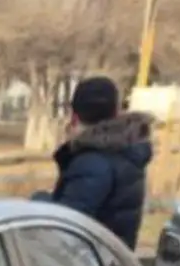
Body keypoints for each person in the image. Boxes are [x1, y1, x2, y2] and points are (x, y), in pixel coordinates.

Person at [47, 76, 154, 248]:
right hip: (113, 257)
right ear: (116, 112)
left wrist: (39, 202)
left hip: (88, 260)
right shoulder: (125, 151)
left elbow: (66, 223)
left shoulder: (92, 163)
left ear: (74, 117)